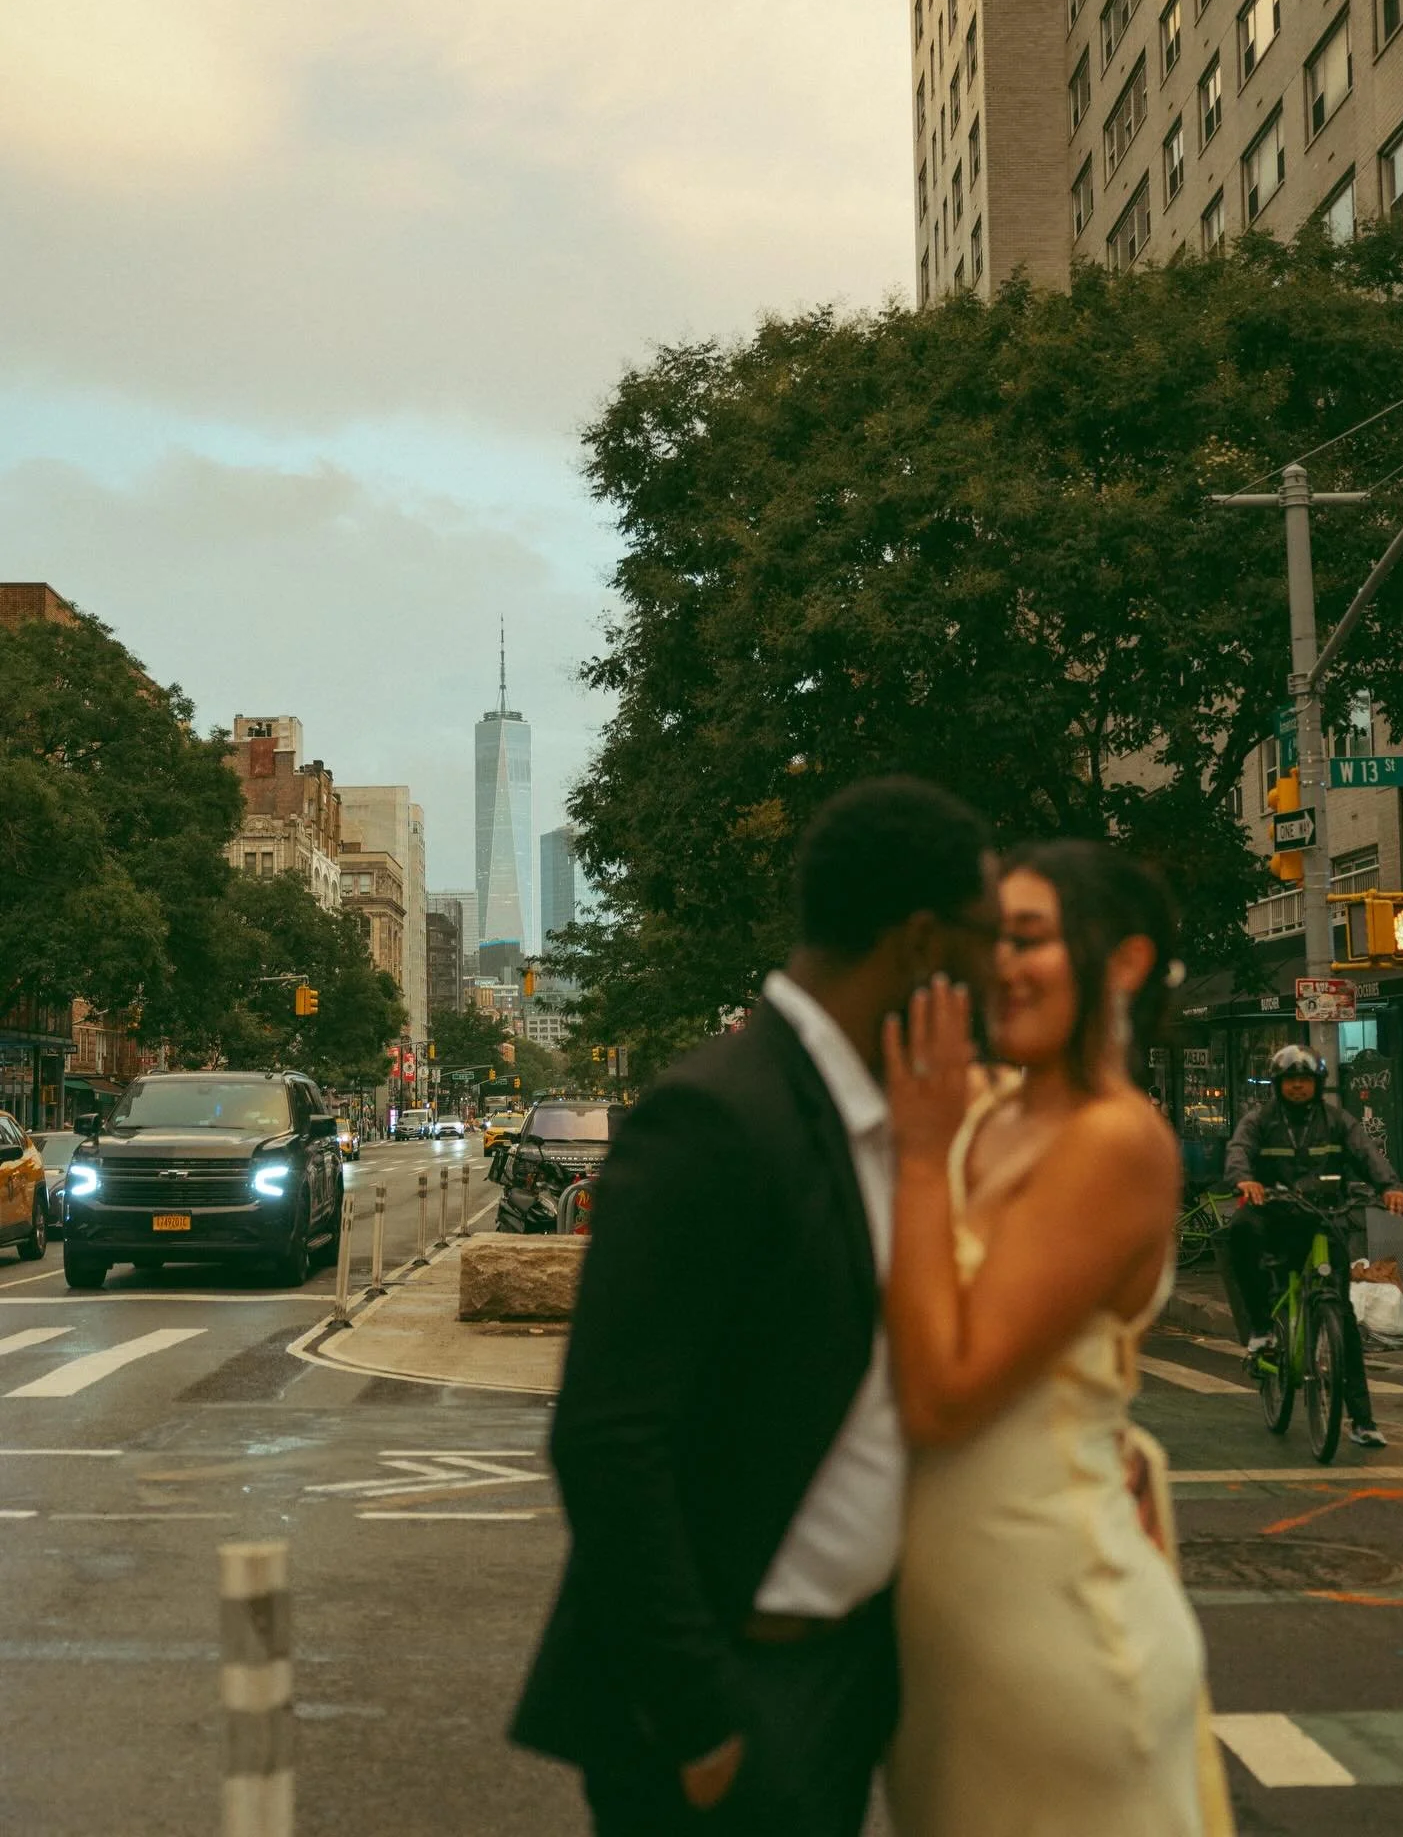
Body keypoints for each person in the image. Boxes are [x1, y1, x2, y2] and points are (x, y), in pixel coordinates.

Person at [510, 776, 999, 1836]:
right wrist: (702, 1727)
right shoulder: (718, 1118)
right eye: (984, 940)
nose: (996, 973)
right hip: (734, 1700)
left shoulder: (879, 1115)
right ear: (920, 944)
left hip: (842, 1676)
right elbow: (606, 1438)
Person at [884, 841, 1233, 1837]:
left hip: (1060, 1644)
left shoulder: (1117, 1142)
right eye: (993, 938)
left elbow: (946, 1392)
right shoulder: (976, 1108)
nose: (1000, 964)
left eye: (1029, 938)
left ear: (1121, 963)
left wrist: (917, 1161)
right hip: (942, 1660)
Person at [1223, 1044, 1403, 1448]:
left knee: (1341, 1315)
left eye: (1305, 1080)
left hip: (1324, 1220)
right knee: (1238, 1232)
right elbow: (1238, 1151)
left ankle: (1362, 1421)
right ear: (1279, 1085)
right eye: (1291, 1081)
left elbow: (1367, 1152)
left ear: (1318, 1084)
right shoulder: (1260, 1121)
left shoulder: (1337, 1120)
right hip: (1274, 1217)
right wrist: (1245, 1179)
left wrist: (1389, 1186)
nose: (1298, 1087)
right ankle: (1260, 1330)